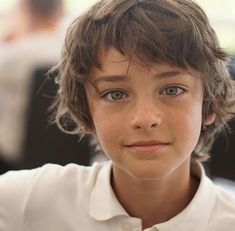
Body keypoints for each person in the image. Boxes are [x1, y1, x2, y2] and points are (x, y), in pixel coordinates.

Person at [1, 0, 235, 230]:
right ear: (85, 111)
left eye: (172, 90)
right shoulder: (27, 201)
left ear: (210, 103)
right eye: (115, 95)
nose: (145, 119)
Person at [0, 0, 64, 167]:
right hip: (73, 158)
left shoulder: (10, 57)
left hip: (15, 161)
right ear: (60, 12)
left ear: (25, 11)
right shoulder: (74, 53)